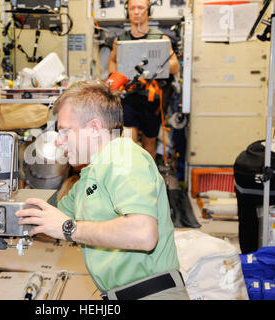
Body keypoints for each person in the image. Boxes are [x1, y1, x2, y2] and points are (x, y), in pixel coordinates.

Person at [15, 81, 189, 300]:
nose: (59, 142)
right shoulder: (88, 179)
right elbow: (45, 221)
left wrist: (69, 228)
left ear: (95, 128)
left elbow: (143, 234)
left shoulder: (123, 156)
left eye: (65, 131)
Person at [108, 0, 180, 160]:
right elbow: (112, 62)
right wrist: (117, 78)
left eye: (140, 7)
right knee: (129, 145)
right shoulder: (121, 40)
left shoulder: (161, 39)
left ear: (149, 11)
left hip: (151, 99)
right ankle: (131, 179)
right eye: (132, 8)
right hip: (129, 99)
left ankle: (148, 179)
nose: (136, 11)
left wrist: (157, 67)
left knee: (149, 145)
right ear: (127, 12)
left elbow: (175, 66)